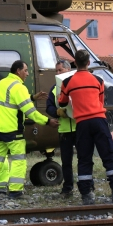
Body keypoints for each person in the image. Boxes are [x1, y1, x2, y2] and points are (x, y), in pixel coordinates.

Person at [58, 49, 113, 205]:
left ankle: (87, 196)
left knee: (84, 158)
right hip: (99, 121)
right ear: (88, 62)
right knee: (108, 155)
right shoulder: (98, 80)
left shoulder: (67, 82)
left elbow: (62, 103)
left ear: (75, 63)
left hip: (82, 124)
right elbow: (100, 101)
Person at [0, 60, 59, 199]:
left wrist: (32, 97)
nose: (28, 73)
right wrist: (48, 121)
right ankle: (15, 192)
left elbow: (11, 101)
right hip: (12, 131)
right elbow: (31, 112)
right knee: (18, 161)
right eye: (26, 70)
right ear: (18, 71)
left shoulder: (2, 83)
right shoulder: (19, 87)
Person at [46, 59, 76, 198]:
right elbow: (49, 107)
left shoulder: (77, 84)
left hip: (79, 128)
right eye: (56, 71)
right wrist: (57, 112)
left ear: (68, 70)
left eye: (60, 70)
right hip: (64, 130)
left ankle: (88, 186)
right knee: (66, 162)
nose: (57, 73)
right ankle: (67, 188)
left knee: (85, 159)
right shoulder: (54, 88)